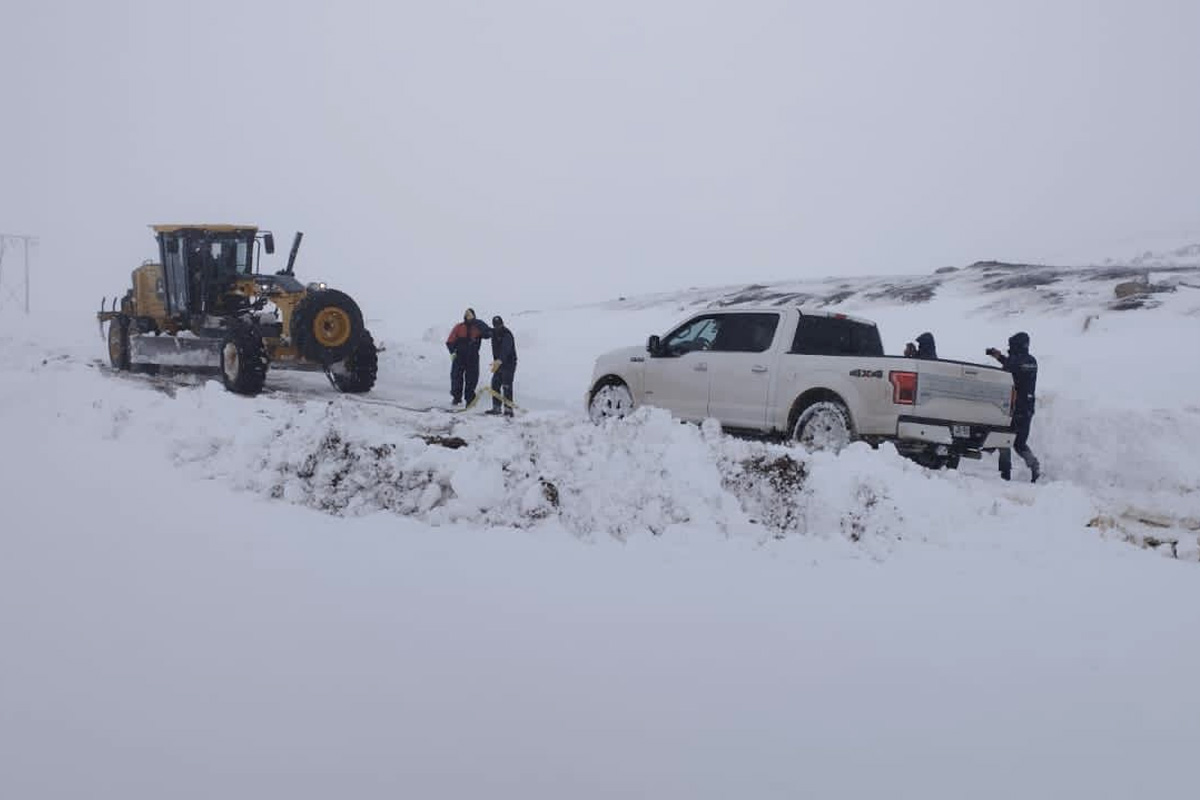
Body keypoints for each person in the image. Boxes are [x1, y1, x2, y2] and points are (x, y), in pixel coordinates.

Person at [987, 331, 1041, 482]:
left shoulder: (1014, 362)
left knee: (1004, 439)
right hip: (1028, 407)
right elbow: (1015, 365)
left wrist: (1000, 357)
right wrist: (999, 356)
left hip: (1014, 408)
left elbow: (1006, 372)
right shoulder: (1032, 361)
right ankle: (1034, 465)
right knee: (1020, 443)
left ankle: (1005, 474)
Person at [445, 308, 491, 406]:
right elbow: (450, 341)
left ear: (474, 316)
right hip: (459, 357)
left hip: (472, 357)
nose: (468, 316)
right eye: (466, 314)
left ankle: (470, 399)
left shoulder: (478, 327)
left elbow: (488, 333)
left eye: (470, 314)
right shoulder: (459, 327)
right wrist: (452, 352)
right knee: (456, 377)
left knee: (472, 378)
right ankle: (456, 398)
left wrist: (477, 322)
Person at [485, 315, 517, 416]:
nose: (497, 327)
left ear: (502, 324)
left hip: (508, 364)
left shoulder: (507, 334)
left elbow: (505, 349)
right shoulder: (494, 333)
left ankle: (508, 410)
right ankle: (496, 408)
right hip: (498, 363)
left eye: (499, 325)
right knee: (495, 385)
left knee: (506, 386)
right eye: (495, 325)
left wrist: (499, 360)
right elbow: (484, 330)